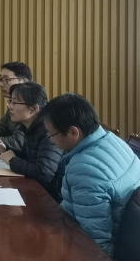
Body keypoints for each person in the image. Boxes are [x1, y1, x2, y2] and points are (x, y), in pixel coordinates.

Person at [42, 93, 140, 257]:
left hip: (92, 247)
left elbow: (94, 239)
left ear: (73, 132)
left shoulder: (83, 168)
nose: (51, 141)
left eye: (51, 135)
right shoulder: (113, 141)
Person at [0, 82, 64, 202]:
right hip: (36, 192)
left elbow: (43, 173)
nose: (10, 107)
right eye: (10, 101)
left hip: (51, 199)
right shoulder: (28, 127)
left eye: (14, 102)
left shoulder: (48, 131)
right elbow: (31, 159)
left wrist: (12, 160)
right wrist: (6, 150)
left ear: (34, 108)